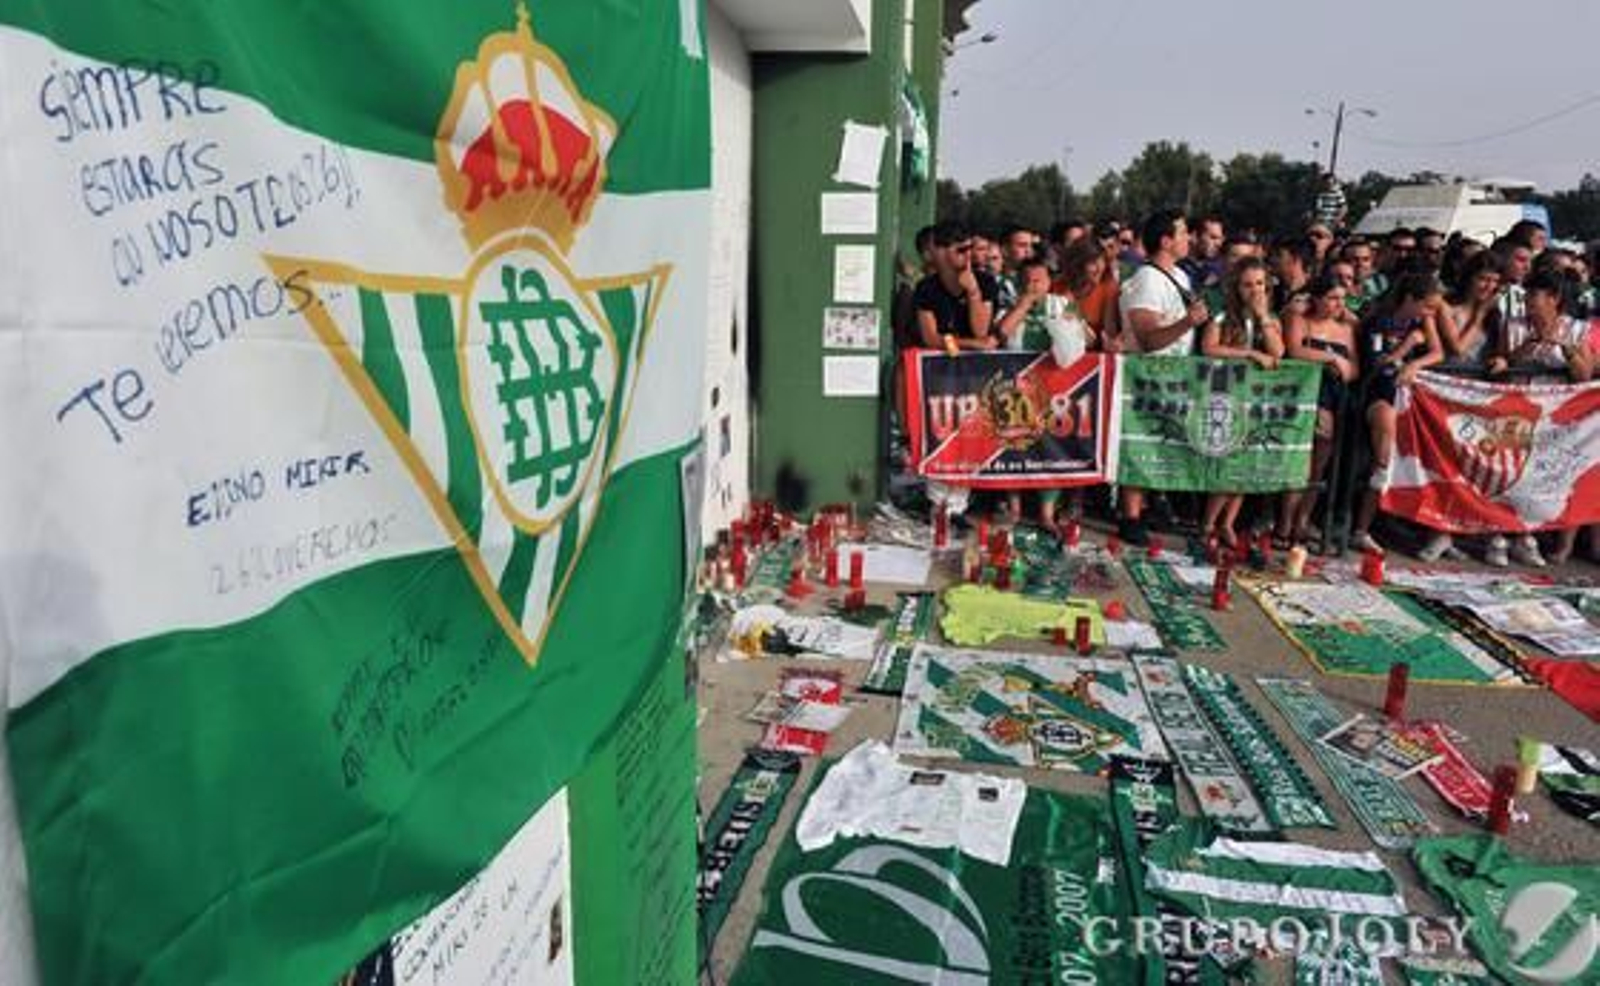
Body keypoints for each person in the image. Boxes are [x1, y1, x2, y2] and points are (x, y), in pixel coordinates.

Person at [1487, 271, 1596, 566]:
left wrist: (1563, 347)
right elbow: (1501, 362)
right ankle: (1498, 535)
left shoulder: (1577, 329)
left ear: (1554, 299)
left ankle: (1526, 536)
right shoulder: (1513, 326)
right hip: (1517, 410)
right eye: (1525, 296)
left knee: (1540, 476)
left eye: (1533, 296)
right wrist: (1532, 343)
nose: (1527, 302)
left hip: (1558, 416)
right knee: (1506, 471)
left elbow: (1584, 375)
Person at [1116, 208, 1211, 545]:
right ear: (1166, 240)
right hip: (1145, 375)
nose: (1190, 239)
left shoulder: (1181, 277)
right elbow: (1147, 337)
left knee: (1161, 444)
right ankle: (1131, 515)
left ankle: (1152, 508)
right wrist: (1188, 322)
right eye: (1184, 233)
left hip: (1174, 375)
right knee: (1140, 444)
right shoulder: (1147, 280)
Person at [1349, 271, 1446, 553]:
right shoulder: (1378, 322)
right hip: (1377, 394)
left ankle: (1433, 529)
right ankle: (1361, 529)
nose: (1431, 314)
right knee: (1384, 458)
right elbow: (1380, 364)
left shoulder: (1421, 321)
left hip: (1409, 399)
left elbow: (1438, 352)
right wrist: (1407, 347)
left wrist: (1415, 365)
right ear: (1410, 299)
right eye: (1427, 306)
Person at [998, 258, 1094, 530]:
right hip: (1016, 390)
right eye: (1028, 280)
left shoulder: (1063, 304)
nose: (1034, 285)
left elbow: (1089, 340)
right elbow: (1002, 332)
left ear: (1049, 282)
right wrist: (1024, 304)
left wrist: (1070, 323)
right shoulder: (1010, 306)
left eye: (1039, 279)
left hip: (1055, 390)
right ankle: (1014, 509)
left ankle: (1047, 513)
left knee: (1051, 450)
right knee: (1014, 446)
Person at [1199, 257, 1284, 549]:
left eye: (1260, 283)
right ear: (1237, 287)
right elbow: (1209, 347)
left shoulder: (1270, 317)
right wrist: (1248, 354)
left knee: (1246, 464)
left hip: (1257, 399)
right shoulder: (1223, 313)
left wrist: (1262, 317)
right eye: (1248, 284)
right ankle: (1208, 524)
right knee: (1228, 461)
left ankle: (1228, 523)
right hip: (1226, 394)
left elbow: (1278, 351)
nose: (1255, 290)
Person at [1279, 275, 1359, 548]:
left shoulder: (1346, 329)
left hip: (1333, 397)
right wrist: (1331, 358)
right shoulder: (1300, 320)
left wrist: (1340, 365)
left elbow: (1354, 369)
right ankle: (1284, 522)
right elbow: (1295, 350)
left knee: (1318, 466)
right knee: (1298, 462)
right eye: (1333, 298)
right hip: (1302, 395)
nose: (1339, 304)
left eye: (1342, 299)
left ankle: (1302, 520)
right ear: (1316, 298)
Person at [913, 221, 1000, 351]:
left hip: (978, 362)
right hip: (944, 361)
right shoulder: (926, 288)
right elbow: (931, 339)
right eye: (961, 250)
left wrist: (973, 292)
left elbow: (981, 332)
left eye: (970, 248)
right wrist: (970, 344)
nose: (968, 254)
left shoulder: (985, 282)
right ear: (941, 251)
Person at [1052, 237, 1121, 350]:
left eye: (1102, 260)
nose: (1099, 268)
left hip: (1095, 353)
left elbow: (1110, 332)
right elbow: (1060, 326)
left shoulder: (1108, 286)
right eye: (1093, 263)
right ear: (1077, 265)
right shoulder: (1058, 286)